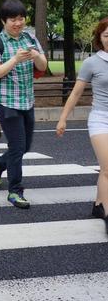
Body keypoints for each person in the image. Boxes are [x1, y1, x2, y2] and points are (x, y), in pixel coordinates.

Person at [0, 0, 47, 209]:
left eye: (21, 18)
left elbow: (43, 66)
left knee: (25, 147)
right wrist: (14, 60)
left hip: (27, 100)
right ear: (4, 21)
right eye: (13, 19)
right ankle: (15, 191)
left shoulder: (30, 38)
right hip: (6, 101)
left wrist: (37, 55)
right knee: (17, 145)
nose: (18, 23)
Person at [57, 17, 108, 222]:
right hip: (100, 119)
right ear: (100, 38)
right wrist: (63, 119)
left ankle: (98, 205)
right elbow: (76, 93)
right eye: (106, 35)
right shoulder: (92, 62)